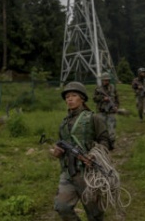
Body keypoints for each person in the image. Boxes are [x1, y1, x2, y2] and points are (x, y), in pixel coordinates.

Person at [52, 81, 114, 221]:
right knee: (62, 207)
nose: (70, 99)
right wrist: (57, 151)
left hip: (89, 174)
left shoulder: (93, 118)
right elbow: (60, 143)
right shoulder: (64, 123)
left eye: (74, 95)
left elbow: (105, 142)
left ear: (82, 98)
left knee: (95, 213)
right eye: (67, 96)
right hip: (69, 173)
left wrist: (93, 155)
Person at [93, 72, 118, 149]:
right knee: (101, 129)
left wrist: (116, 106)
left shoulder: (112, 88)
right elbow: (94, 98)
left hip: (111, 111)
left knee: (111, 128)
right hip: (101, 111)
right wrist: (103, 98)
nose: (106, 82)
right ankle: (103, 144)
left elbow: (117, 98)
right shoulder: (98, 89)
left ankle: (112, 143)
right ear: (102, 80)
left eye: (107, 80)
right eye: (104, 80)